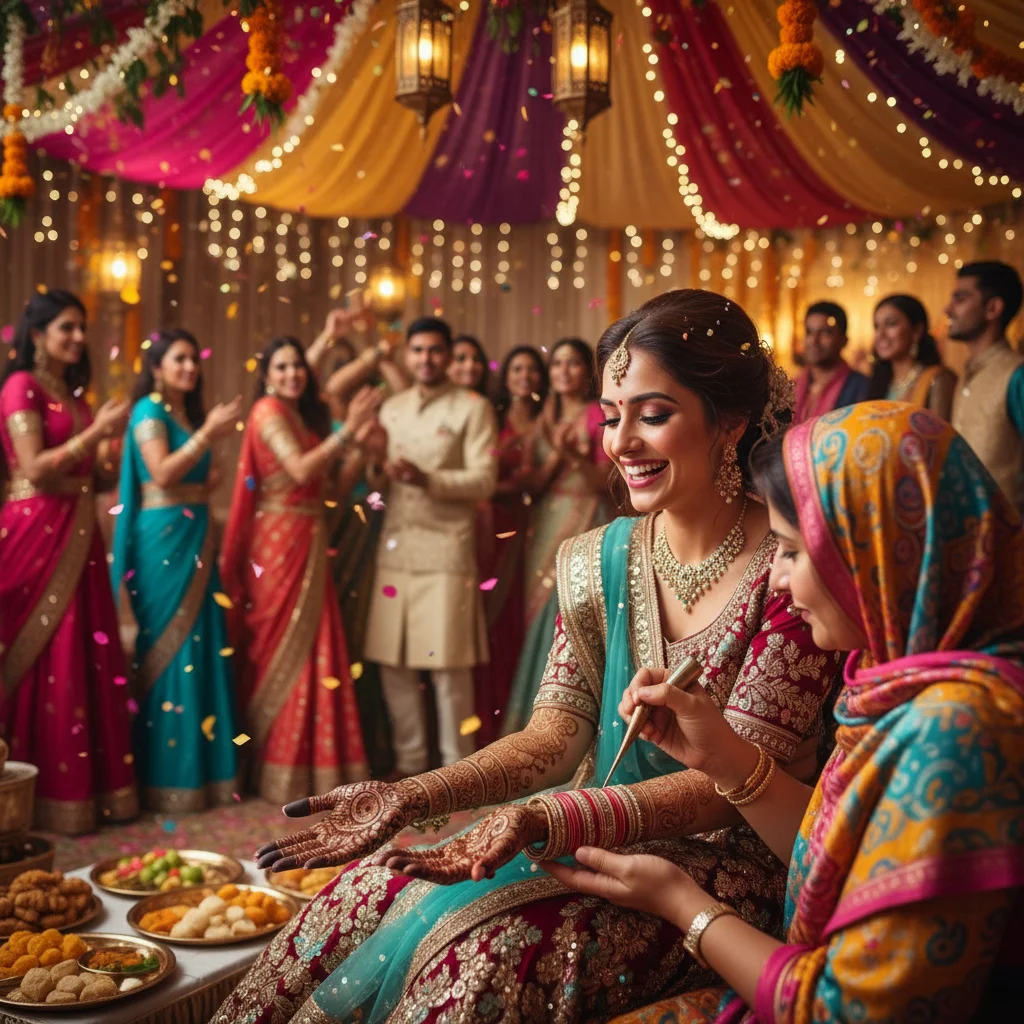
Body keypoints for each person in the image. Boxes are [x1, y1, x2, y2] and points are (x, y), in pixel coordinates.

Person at [213, 288, 843, 1024]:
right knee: (365, 890)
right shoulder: (597, 559)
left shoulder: (791, 572)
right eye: (612, 417)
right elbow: (554, 735)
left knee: (483, 955)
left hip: (722, 865)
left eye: (654, 414)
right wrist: (416, 796)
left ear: (729, 423)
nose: (621, 442)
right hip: (574, 826)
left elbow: (726, 783)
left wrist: (550, 818)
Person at [550, 402, 1024, 1024]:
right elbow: (840, 849)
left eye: (795, 551)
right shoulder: (897, 684)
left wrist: (679, 902)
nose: (773, 578)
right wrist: (720, 755)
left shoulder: (959, 728)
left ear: (874, 557)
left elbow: (839, 1010)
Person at [0, 290, 137, 835]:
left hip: (78, 532)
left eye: (81, 328)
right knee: (42, 656)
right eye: (67, 328)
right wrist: (95, 433)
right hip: (34, 532)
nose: (79, 338)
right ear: (37, 334)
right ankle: (31, 797)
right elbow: (33, 463)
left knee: (81, 652)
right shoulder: (20, 387)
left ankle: (86, 794)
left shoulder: (73, 394)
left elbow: (92, 477)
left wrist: (110, 447)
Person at [220, 337, 378, 803]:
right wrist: (348, 431)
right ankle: (274, 767)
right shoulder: (267, 411)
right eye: (283, 367)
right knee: (278, 646)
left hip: (307, 536)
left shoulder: (299, 416)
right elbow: (300, 468)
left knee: (318, 644)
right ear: (267, 375)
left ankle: (312, 770)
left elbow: (326, 487)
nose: (293, 374)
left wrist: (361, 451)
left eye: (298, 366)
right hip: (276, 542)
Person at [110, 329, 242, 812]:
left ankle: (201, 775)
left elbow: (187, 478)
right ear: (158, 367)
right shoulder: (149, 410)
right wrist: (208, 435)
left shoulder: (182, 413)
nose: (190, 367)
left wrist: (207, 476)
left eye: (193, 358)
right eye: (179, 359)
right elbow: (161, 474)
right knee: (169, 647)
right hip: (161, 543)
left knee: (202, 642)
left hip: (194, 534)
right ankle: (165, 777)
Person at [362, 317, 499, 775]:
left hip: (446, 549)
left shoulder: (472, 407)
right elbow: (378, 486)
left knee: (446, 668)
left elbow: (485, 479)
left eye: (435, 350)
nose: (426, 359)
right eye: (417, 350)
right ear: (406, 355)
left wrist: (428, 478)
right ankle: (411, 763)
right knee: (392, 662)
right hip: (397, 546)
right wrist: (373, 462)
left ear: (448, 354)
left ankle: (455, 772)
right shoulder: (392, 407)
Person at [502, 336, 613, 734]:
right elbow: (529, 482)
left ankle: (571, 721)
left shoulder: (597, 415)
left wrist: (572, 457)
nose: (564, 371)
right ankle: (531, 720)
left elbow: (604, 482)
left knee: (570, 607)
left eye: (573, 363)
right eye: (557, 363)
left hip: (585, 515)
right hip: (544, 521)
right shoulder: (541, 419)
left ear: (588, 372)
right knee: (536, 616)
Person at [474, 345, 549, 746]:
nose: (525, 376)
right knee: (495, 624)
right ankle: (488, 726)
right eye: (516, 369)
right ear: (505, 377)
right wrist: (511, 485)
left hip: (538, 527)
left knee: (526, 622)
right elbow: (481, 476)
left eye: (532, 370)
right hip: (496, 528)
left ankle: (525, 723)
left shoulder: (550, 419)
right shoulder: (491, 419)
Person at [947, 260, 1024, 512]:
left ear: (992, 308)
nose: (948, 309)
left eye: (960, 299)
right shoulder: (967, 374)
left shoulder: (1016, 375)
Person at [866, 294, 956, 418]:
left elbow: (942, 435)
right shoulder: (880, 383)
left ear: (916, 331)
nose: (880, 334)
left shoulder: (936, 380)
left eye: (891, 324)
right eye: (876, 326)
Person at [792, 301, 869, 423]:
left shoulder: (861, 388)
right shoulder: (791, 386)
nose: (813, 340)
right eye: (809, 332)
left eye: (825, 332)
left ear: (844, 341)